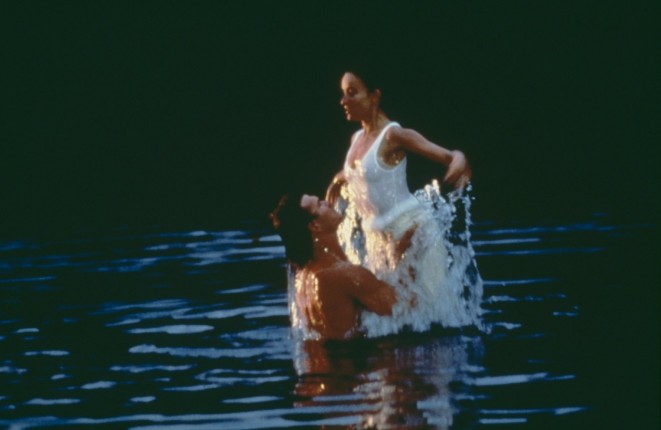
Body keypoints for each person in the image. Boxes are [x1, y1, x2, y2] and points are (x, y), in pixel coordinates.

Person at [323, 70, 482, 335]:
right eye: (343, 94)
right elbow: (361, 171)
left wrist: (460, 161)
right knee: (394, 318)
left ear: (374, 96)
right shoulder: (356, 139)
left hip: (415, 233)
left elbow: (449, 156)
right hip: (380, 240)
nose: (343, 101)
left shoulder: (394, 135)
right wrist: (338, 180)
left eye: (352, 93)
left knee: (428, 319)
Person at [271, 192, 398, 340]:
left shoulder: (304, 277)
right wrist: (400, 250)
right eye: (320, 204)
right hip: (355, 353)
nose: (328, 203)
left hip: (325, 353)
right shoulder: (343, 275)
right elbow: (405, 306)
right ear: (315, 226)